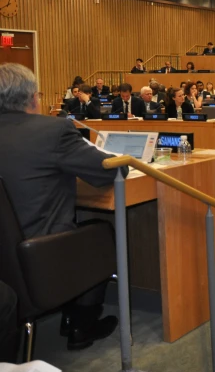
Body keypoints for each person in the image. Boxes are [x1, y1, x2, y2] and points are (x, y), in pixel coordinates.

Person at [0, 63, 126, 350]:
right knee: (101, 233)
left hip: (6, 261)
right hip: (38, 257)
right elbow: (108, 172)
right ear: (33, 97)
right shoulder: (53, 129)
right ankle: (82, 324)